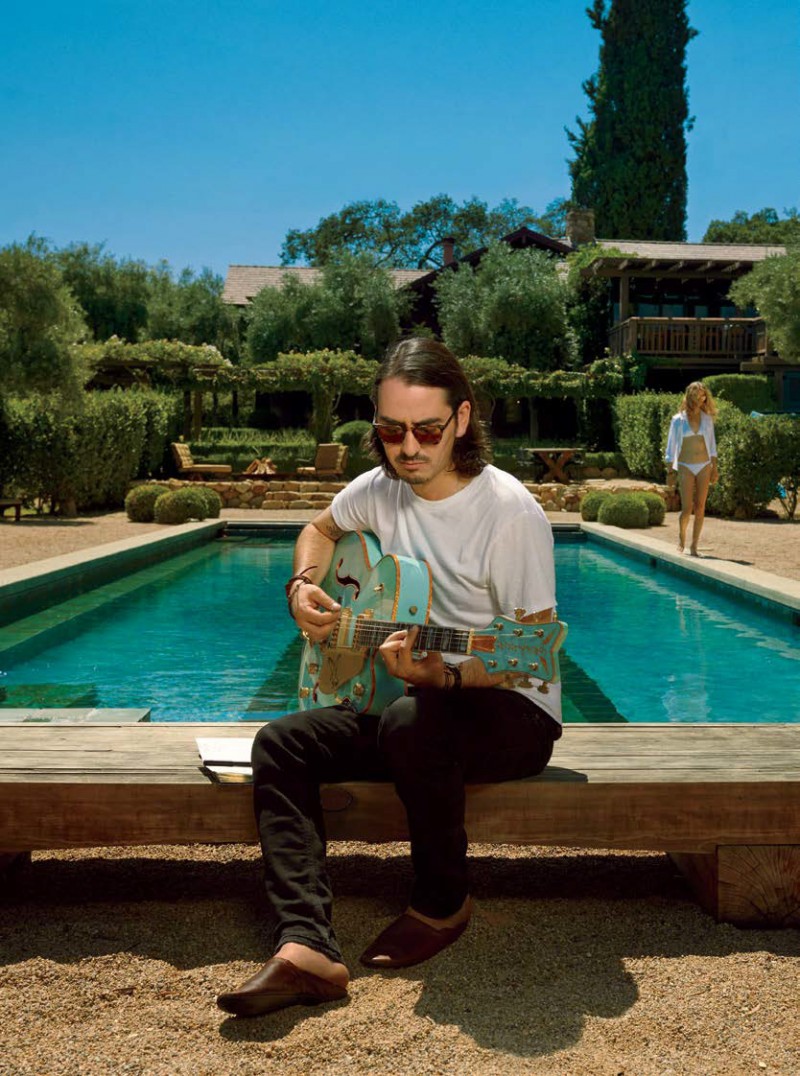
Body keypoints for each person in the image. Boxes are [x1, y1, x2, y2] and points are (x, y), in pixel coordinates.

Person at [216, 337, 562, 1018]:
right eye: (391, 430)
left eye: (426, 429)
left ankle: (442, 903)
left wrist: (447, 675)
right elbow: (319, 527)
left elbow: (531, 653)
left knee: (412, 720)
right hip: (417, 702)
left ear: (461, 419)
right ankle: (307, 945)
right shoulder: (379, 490)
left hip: (511, 708)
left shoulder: (508, 511)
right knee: (279, 743)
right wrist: (301, 587)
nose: (408, 447)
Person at [665, 381, 719, 556]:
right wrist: (669, 470)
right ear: (690, 395)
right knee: (687, 508)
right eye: (698, 394)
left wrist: (714, 467)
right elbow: (671, 445)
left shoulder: (707, 419)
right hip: (685, 465)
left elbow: (712, 444)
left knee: (700, 506)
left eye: (704, 394)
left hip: (704, 465)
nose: (701, 397)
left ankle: (694, 545)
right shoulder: (678, 420)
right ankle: (682, 535)